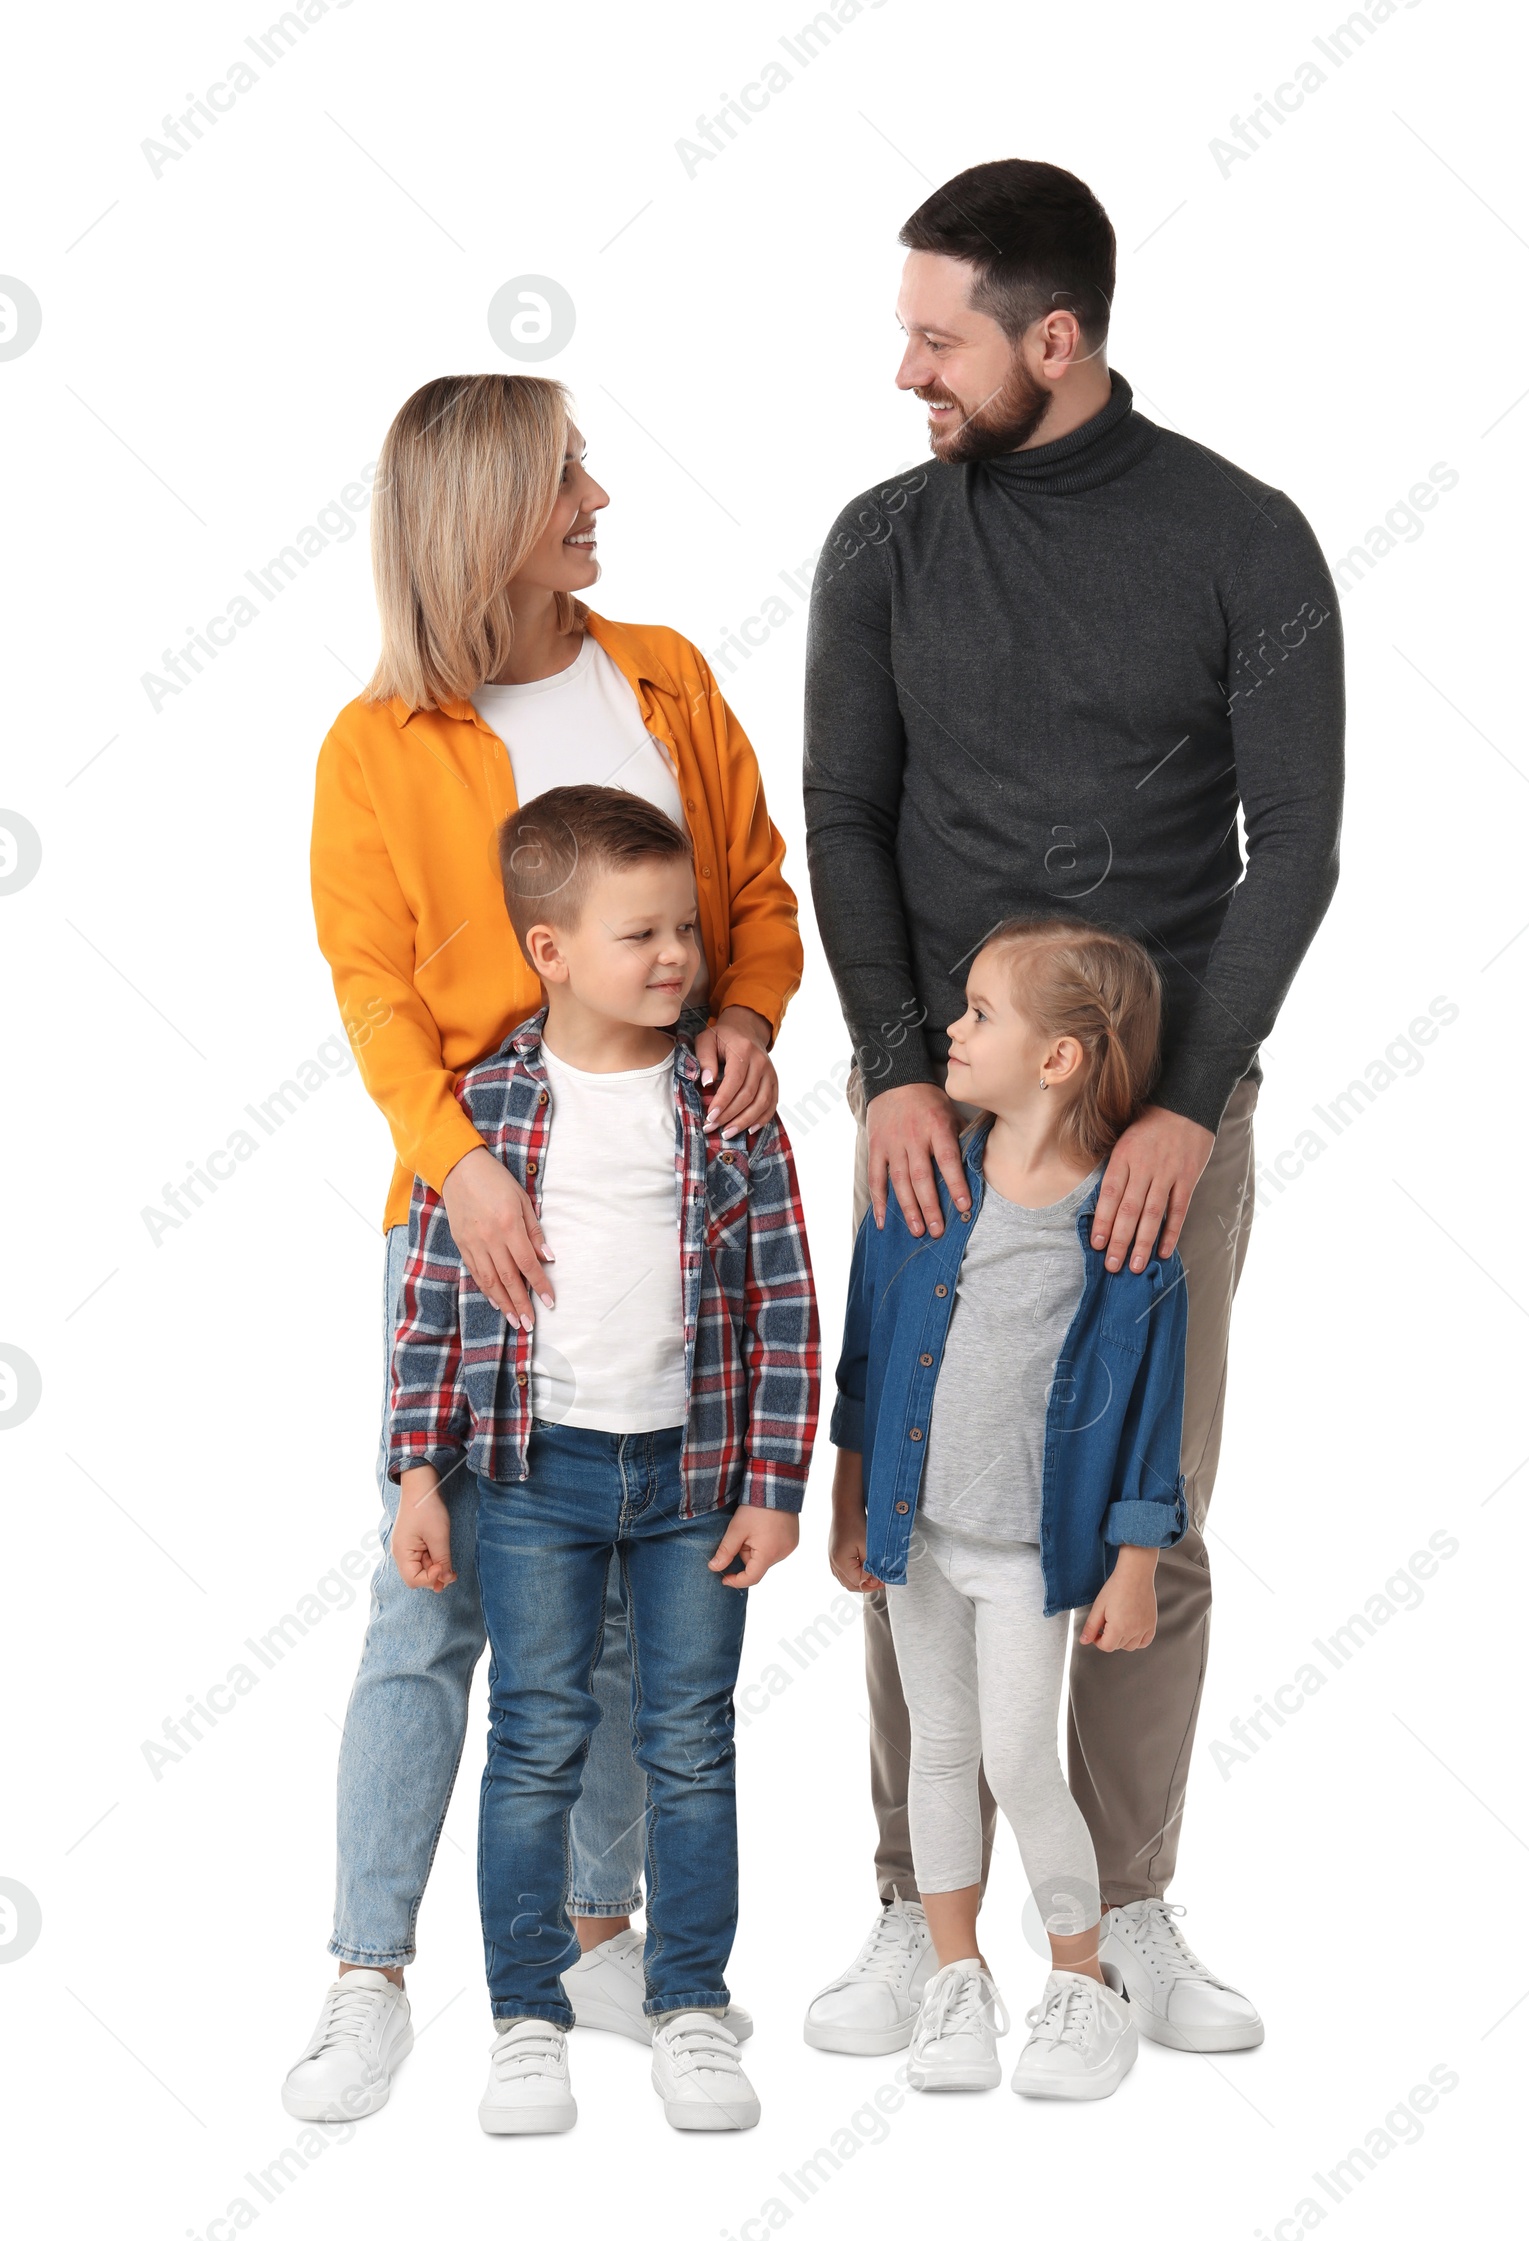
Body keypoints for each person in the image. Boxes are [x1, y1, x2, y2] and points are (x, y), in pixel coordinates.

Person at [803, 158, 1344, 2056]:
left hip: (1156, 1122)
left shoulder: (1245, 539)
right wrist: (888, 1072)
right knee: (915, 1504)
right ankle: (918, 1915)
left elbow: (1299, 848)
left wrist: (1190, 1105)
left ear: (1057, 338)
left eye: (937, 338)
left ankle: (1118, 1915)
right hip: (938, 1108)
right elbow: (847, 818)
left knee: (1143, 1515)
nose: (906, 372)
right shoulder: (882, 542)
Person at [285, 374, 803, 2123]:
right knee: (430, 1599)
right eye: (565, 476)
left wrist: (748, 1016)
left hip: (668, 1201)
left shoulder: (661, 674)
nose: (598, 495)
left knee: (624, 1589)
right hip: (475, 1221)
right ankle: (368, 1970)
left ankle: (599, 1937)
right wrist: (461, 1177)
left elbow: (755, 892)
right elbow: (371, 1002)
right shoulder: (378, 748)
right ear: (484, 515)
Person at [383, 785, 819, 2133]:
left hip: (693, 1484)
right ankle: (528, 2016)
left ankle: (688, 2003)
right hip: (534, 1478)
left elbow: (790, 1297)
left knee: (690, 1744)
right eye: (642, 935)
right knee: (536, 1742)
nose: (679, 958)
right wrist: (416, 1469)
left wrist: (774, 1483)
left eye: (685, 928)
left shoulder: (726, 1102)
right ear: (551, 950)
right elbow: (434, 1305)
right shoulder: (489, 1102)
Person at [829, 920, 1184, 2100]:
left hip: (1029, 1558)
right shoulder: (925, 1187)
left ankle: (1080, 1983)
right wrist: (850, 1497)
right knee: (939, 1752)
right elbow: (867, 1358)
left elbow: (1150, 1413)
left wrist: (1134, 1560)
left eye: (979, 1013)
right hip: (918, 1540)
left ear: (1060, 1060)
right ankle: (954, 1978)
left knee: (1020, 1759)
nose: (951, 1029)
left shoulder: (1124, 1228)